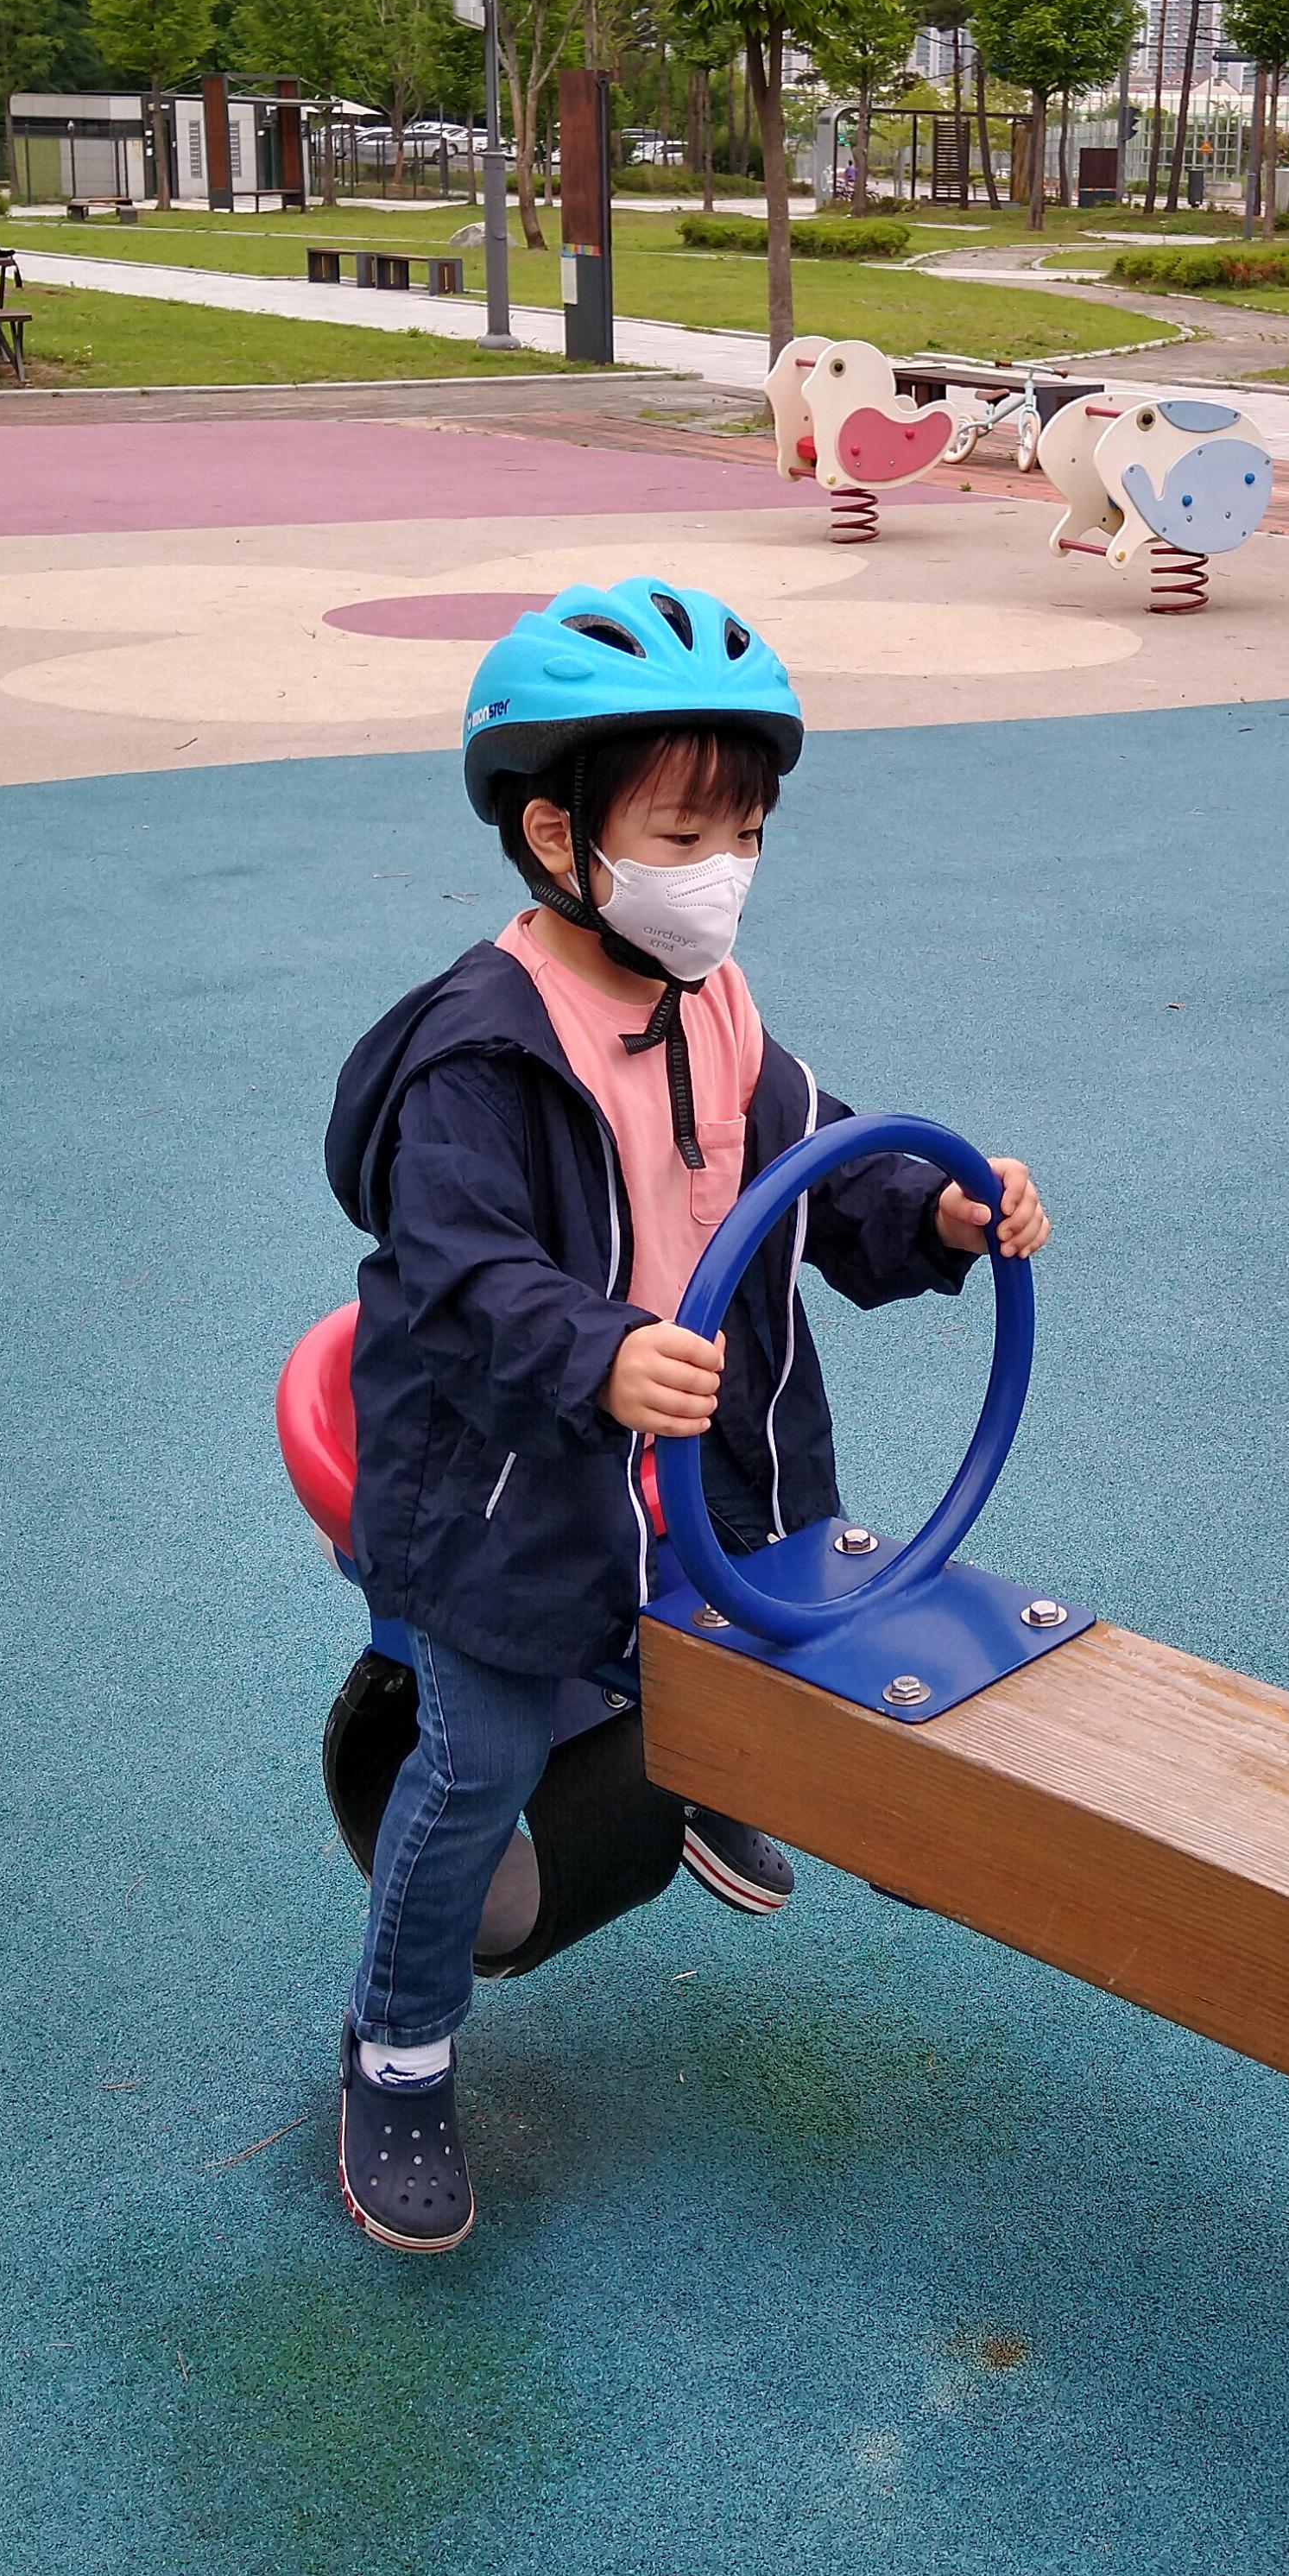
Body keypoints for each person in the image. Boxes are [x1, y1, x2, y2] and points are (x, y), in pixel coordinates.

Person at [325, 577, 1051, 2253]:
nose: (721, 869)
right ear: (556, 833)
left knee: (760, 1619)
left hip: (696, 1452)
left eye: (748, 833)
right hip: (510, 1485)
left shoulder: (710, 1003)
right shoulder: (482, 1055)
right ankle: (398, 2046)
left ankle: (709, 1768)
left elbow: (816, 1160)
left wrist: (938, 1214)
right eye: (683, 833)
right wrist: (593, 1351)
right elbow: (457, 1268)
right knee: (483, 1755)